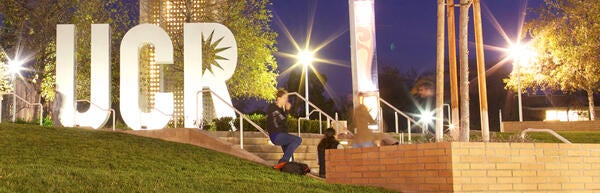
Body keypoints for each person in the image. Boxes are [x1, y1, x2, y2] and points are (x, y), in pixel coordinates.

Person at [266, 89, 302, 169]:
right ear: (279, 98)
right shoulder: (272, 108)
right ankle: (282, 161)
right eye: (285, 98)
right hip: (276, 135)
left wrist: (286, 111)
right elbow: (281, 119)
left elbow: (284, 123)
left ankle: (290, 169)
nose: (286, 100)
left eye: (287, 98)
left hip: (283, 135)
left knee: (290, 157)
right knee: (298, 140)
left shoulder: (281, 110)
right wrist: (287, 111)